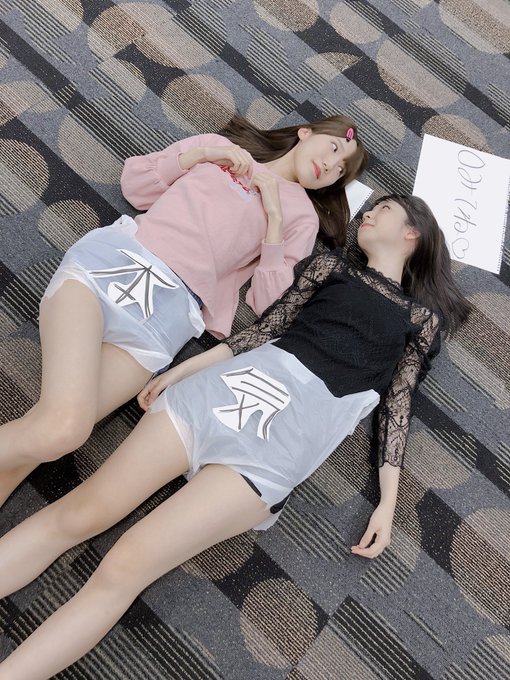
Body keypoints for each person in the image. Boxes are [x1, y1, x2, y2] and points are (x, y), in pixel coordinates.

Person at [0, 195, 471, 679]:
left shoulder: (420, 321)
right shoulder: (329, 267)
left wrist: (388, 504)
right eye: (369, 207)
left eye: (384, 209)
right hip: (221, 392)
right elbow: (263, 331)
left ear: (413, 232)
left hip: (279, 446)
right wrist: (184, 370)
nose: (367, 213)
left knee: (125, 566)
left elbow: (397, 409)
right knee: (79, 514)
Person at [0, 114, 367, 506]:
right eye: (334, 148)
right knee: (62, 429)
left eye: (340, 170)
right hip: (114, 265)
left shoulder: (301, 217)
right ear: (305, 132)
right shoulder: (219, 149)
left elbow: (270, 304)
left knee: (50, 431)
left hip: (165, 319)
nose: (331, 164)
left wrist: (274, 219)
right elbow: (136, 186)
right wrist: (201, 154)